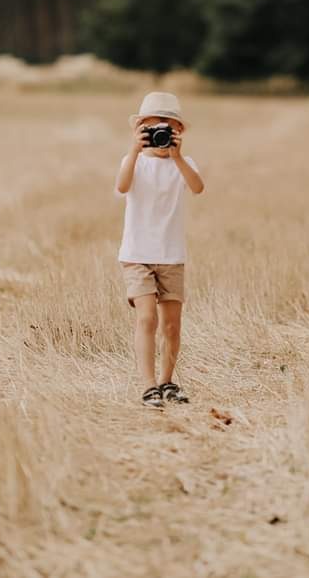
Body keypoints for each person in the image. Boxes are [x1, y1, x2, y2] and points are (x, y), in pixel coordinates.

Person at [115, 92, 205, 408]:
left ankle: (167, 381)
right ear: (141, 130)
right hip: (137, 254)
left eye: (167, 129)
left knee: (171, 325)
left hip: (171, 256)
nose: (160, 135)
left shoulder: (184, 164)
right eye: (153, 129)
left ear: (178, 131)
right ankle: (148, 384)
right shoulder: (133, 162)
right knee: (146, 318)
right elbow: (123, 187)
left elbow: (197, 187)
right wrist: (133, 150)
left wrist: (178, 157)